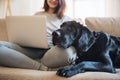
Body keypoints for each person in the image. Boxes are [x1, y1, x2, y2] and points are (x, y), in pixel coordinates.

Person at [0, 0, 76, 70]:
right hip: (29, 48)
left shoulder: (66, 19)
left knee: (67, 51)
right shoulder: (37, 15)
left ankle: (26, 62)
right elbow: (29, 31)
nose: (53, 0)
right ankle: (40, 66)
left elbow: (69, 40)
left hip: (50, 51)